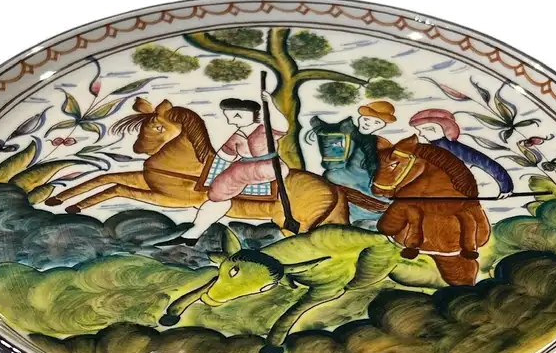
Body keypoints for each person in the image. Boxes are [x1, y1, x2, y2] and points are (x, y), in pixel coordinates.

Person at [157, 90, 289, 246]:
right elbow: (225, 155)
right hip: (248, 168)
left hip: (269, 166)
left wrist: (270, 104)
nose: (231, 121)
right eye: (228, 117)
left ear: (253, 115)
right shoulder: (238, 135)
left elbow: (282, 126)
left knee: (231, 176)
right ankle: (194, 233)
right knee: (220, 192)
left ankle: (211, 206)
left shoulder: (264, 130)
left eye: (236, 116)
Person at [408, 108, 513, 197]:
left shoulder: (456, 150)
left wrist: (505, 188)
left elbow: (487, 164)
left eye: (423, 129)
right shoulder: (429, 149)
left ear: (434, 129)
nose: (421, 134)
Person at [307, 100, 396, 193]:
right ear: (360, 117)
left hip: (360, 178)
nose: (368, 124)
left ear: (382, 126)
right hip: (347, 177)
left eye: (377, 122)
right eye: (366, 119)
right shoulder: (348, 130)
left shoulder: (373, 141)